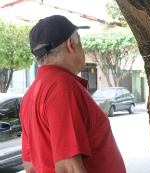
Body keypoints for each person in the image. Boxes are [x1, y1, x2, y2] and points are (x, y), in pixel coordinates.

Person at [20, 15, 126, 173]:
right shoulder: (63, 87)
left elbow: (30, 167)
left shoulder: (29, 96)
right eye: (80, 42)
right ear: (71, 45)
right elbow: (68, 167)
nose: (83, 48)